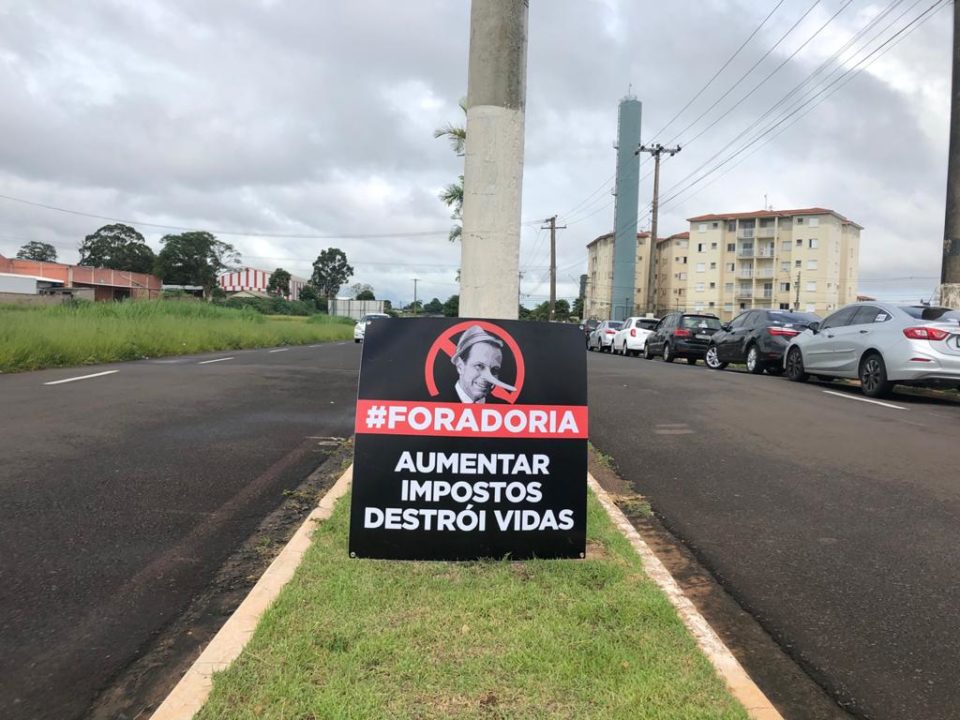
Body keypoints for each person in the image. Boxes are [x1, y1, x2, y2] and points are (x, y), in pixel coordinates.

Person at [450, 325, 515, 403]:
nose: (488, 377)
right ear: (460, 367)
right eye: (479, 366)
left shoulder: (503, 407)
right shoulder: (437, 402)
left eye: (494, 370)